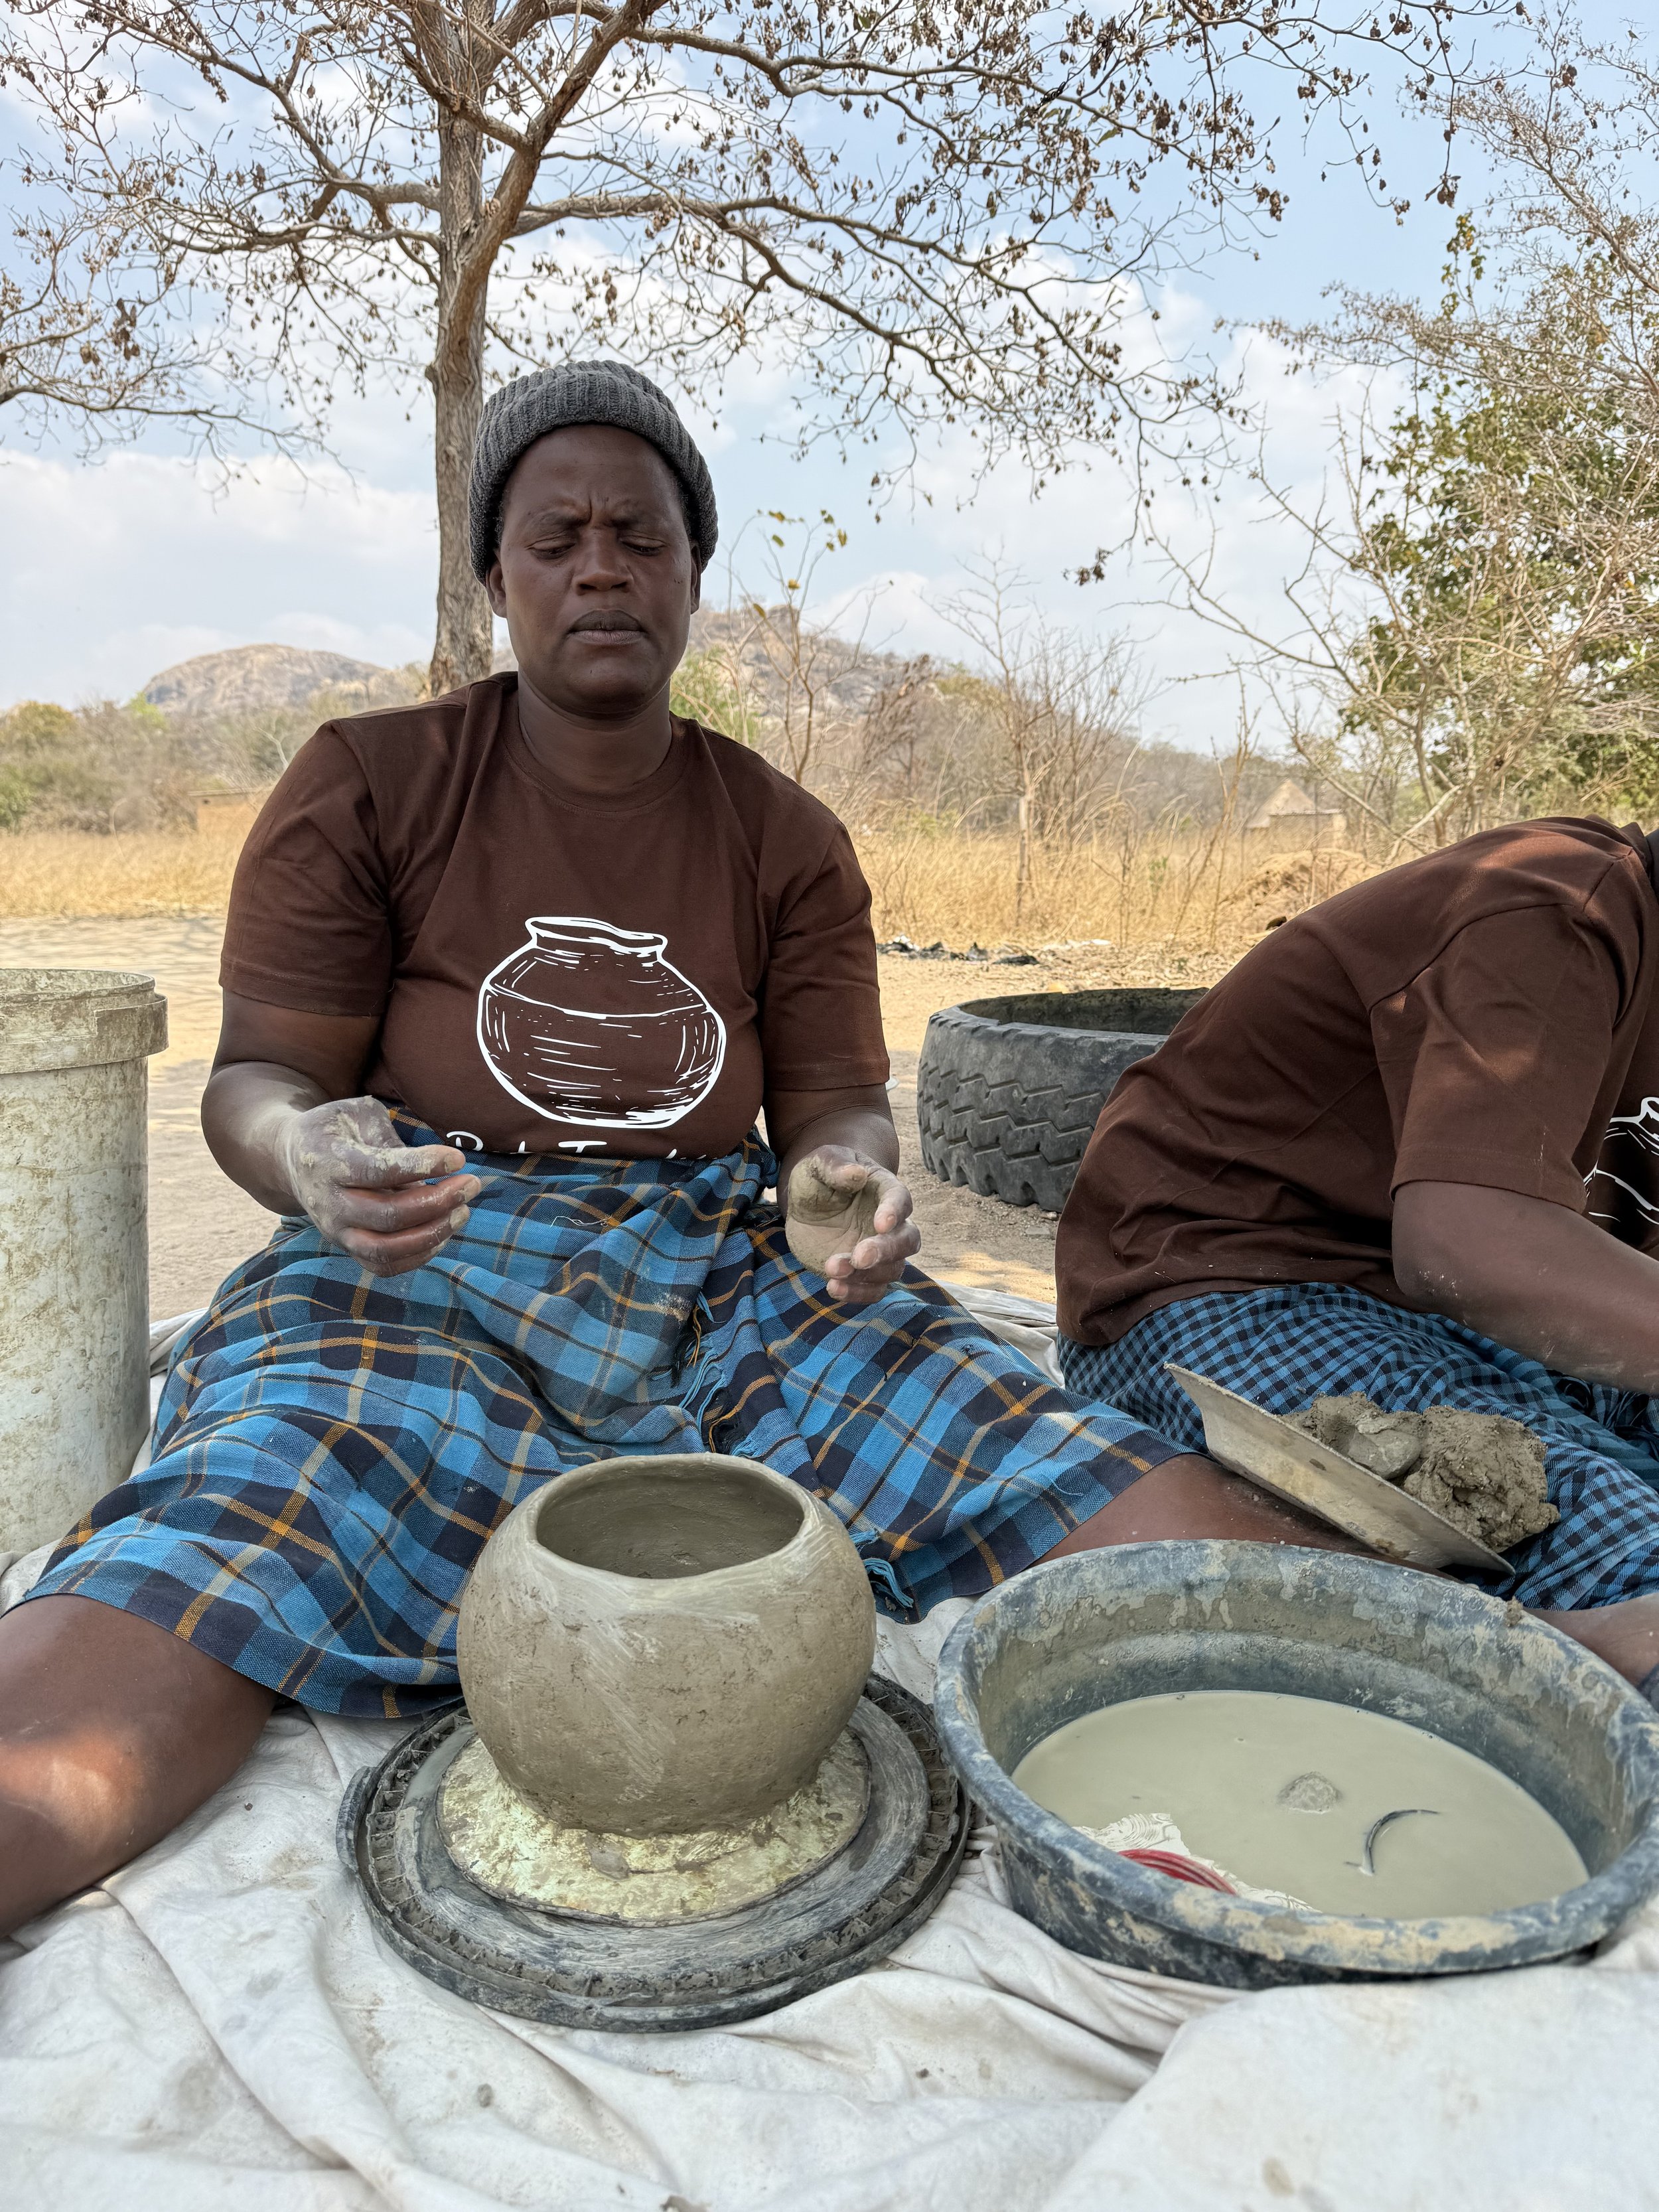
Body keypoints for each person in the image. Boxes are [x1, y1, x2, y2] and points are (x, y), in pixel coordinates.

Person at [0, 360, 1314, 1937]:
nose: (600, 565)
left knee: (1041, 1451)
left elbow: (832, 1110)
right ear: (495, 575)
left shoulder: (784, 835)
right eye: (554, 536)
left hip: (728, 1267)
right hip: (421, 1252)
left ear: (693, 571)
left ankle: (1467, 1677)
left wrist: (846, 1189)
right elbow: (259, 1078)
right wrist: (308, 1155)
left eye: (640, 533)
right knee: (241, 1512)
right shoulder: (369, 780)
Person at [1054, 814, 1659, 1702]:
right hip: (1227, 1275)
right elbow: (1469, 1245)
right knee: (1622, 1557)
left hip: (1462, 1320)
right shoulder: (1564, 901)